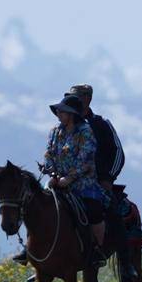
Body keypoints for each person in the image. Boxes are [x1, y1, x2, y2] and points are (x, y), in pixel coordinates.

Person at [44, 95, 111, 266]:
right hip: (57, 181)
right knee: (37, 203)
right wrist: (53, 174)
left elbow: (85, 159)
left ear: (72, 114)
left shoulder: (85, 131)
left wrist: (70, 178)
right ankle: (34, 249)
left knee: (94, 210)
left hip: (83, 183)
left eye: (62, 111)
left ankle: (97, 249)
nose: (58, 114)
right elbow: (49, 154)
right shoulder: (55, 131)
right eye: (58, 111)